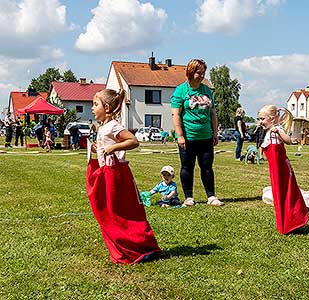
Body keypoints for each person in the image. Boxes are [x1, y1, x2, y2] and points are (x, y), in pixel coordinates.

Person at [87, 88, 160, 264]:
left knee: (122, 212)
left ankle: (139, 245)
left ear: (106, 107)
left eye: (95, 104)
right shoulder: (103, 127)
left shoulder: (114, 126)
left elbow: (133, 141)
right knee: (108, 211)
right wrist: (99, 149)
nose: (92, 108)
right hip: (106, 173)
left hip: (116, 176)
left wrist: (113, 148)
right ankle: (124, 245)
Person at [171, 58, 224, 207]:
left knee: (207, 166)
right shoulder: (181, 91)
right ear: (190, 72)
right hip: (188, 137)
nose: (201, 76)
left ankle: (211, 196)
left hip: (205, 136)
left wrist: (214, 133)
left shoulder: (206, 90)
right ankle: (188, 197)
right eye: (198, 72)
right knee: (187, 166)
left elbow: (213, 113)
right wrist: (180, 136)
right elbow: (176, 114)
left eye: (203, 73)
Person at [257, 104, 309, 234]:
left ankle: (292, 221)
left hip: (281, 169)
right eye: (259, 119)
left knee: (285, 192)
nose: (260, 122)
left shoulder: (276, 129)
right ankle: (286, 222)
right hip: (276, 169)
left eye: (262, 119)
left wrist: (291, 140)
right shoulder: (269, 131)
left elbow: (286, 139)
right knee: (279, 193)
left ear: (272, 119)